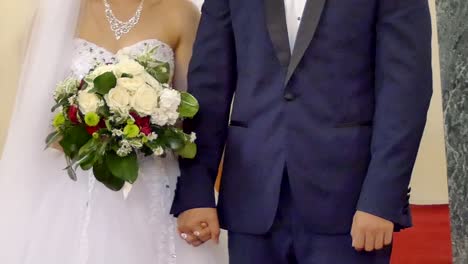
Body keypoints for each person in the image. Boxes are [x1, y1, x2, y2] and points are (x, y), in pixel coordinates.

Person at [172, 0, 433, 263]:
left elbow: (405, 94)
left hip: (349, 202)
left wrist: (381, 199)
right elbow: (208, 90)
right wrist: (196, 192)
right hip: (252, 197)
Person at [0, 0, 227, 263]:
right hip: (70, 183)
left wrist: (145, 124)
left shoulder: (181, 12)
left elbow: (195, 113)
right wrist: (90, 129)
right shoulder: (57, 14)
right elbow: (39, 113)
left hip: (153, 180)